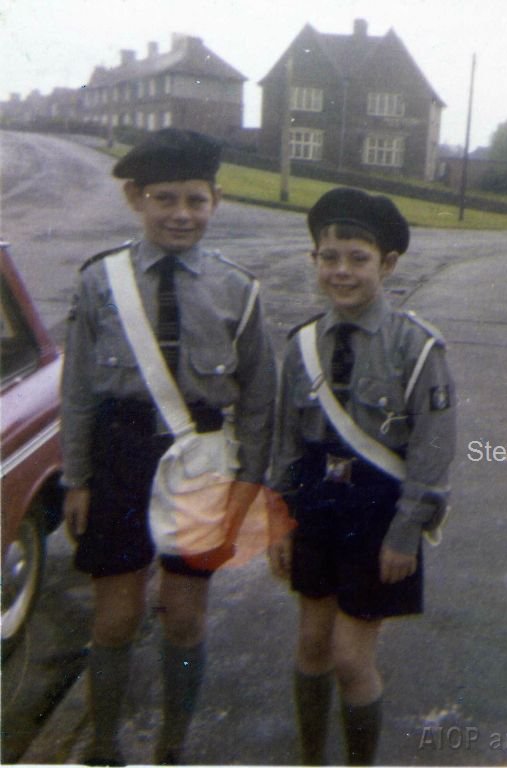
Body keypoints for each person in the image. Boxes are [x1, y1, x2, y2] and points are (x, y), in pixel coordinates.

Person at [60, 128, 277, 766]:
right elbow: (76, 389)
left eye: (195, 199)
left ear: (217, 200)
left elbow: (261, 398)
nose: (180, 213)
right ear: (135, 199)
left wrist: (248, 487)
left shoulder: (239, 289)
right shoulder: (102, 282)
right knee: (115, 619)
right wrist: (77, 477)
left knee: (184, 618)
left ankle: (172, 747)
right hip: (118, 456)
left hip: (202, 462)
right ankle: (102, 748)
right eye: (164, 199)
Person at [268, 187, 456, 765]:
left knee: (352, 659)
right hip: (316, 508)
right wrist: (278, 521)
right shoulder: (303, 344)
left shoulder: (417, 347)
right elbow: (285, 442)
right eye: (330, 258)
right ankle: (311, 758)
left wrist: (407, 532)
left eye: (358, 258)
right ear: (315, 259)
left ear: (388, 264)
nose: (341, 271)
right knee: (311, 644)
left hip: (379, 515)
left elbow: (432, 448)